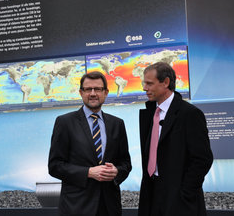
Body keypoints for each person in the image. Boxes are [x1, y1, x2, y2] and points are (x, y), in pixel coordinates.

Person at [48, 71, 132, 216]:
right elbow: (55, 166)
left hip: (109, 207)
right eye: (88, 89)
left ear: (105, 92)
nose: (93, 94)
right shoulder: (65, 122)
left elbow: (125, 163)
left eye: (98, 89)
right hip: (76, 207)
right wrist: (88, 172)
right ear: (81, 92)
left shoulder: (117, 124)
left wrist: (116, 172)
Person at [138, 62, 213, 216]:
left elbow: (202, 159)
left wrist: (185, 192)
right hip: (151, 194)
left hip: (178, 199)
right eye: (144, 83)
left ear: (165, 82)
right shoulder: (150, 113)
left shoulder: (190, 114)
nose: (145, 88)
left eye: (149, 83)